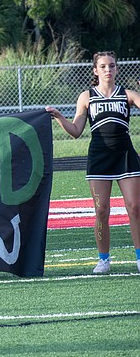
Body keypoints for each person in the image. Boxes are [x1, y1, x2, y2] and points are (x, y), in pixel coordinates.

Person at [46, 51, 140, 274]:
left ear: (117, 69)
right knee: (101, 210)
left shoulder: (128, 94)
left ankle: (139, 257)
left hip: (125, 155)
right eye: (104, 66)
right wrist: (60, 117)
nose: (108, 70)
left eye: (112, 66)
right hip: (99, 157)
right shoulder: (86, 97)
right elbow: (76, 131)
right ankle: (104, 259)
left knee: (135, 207)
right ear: (95, 70)